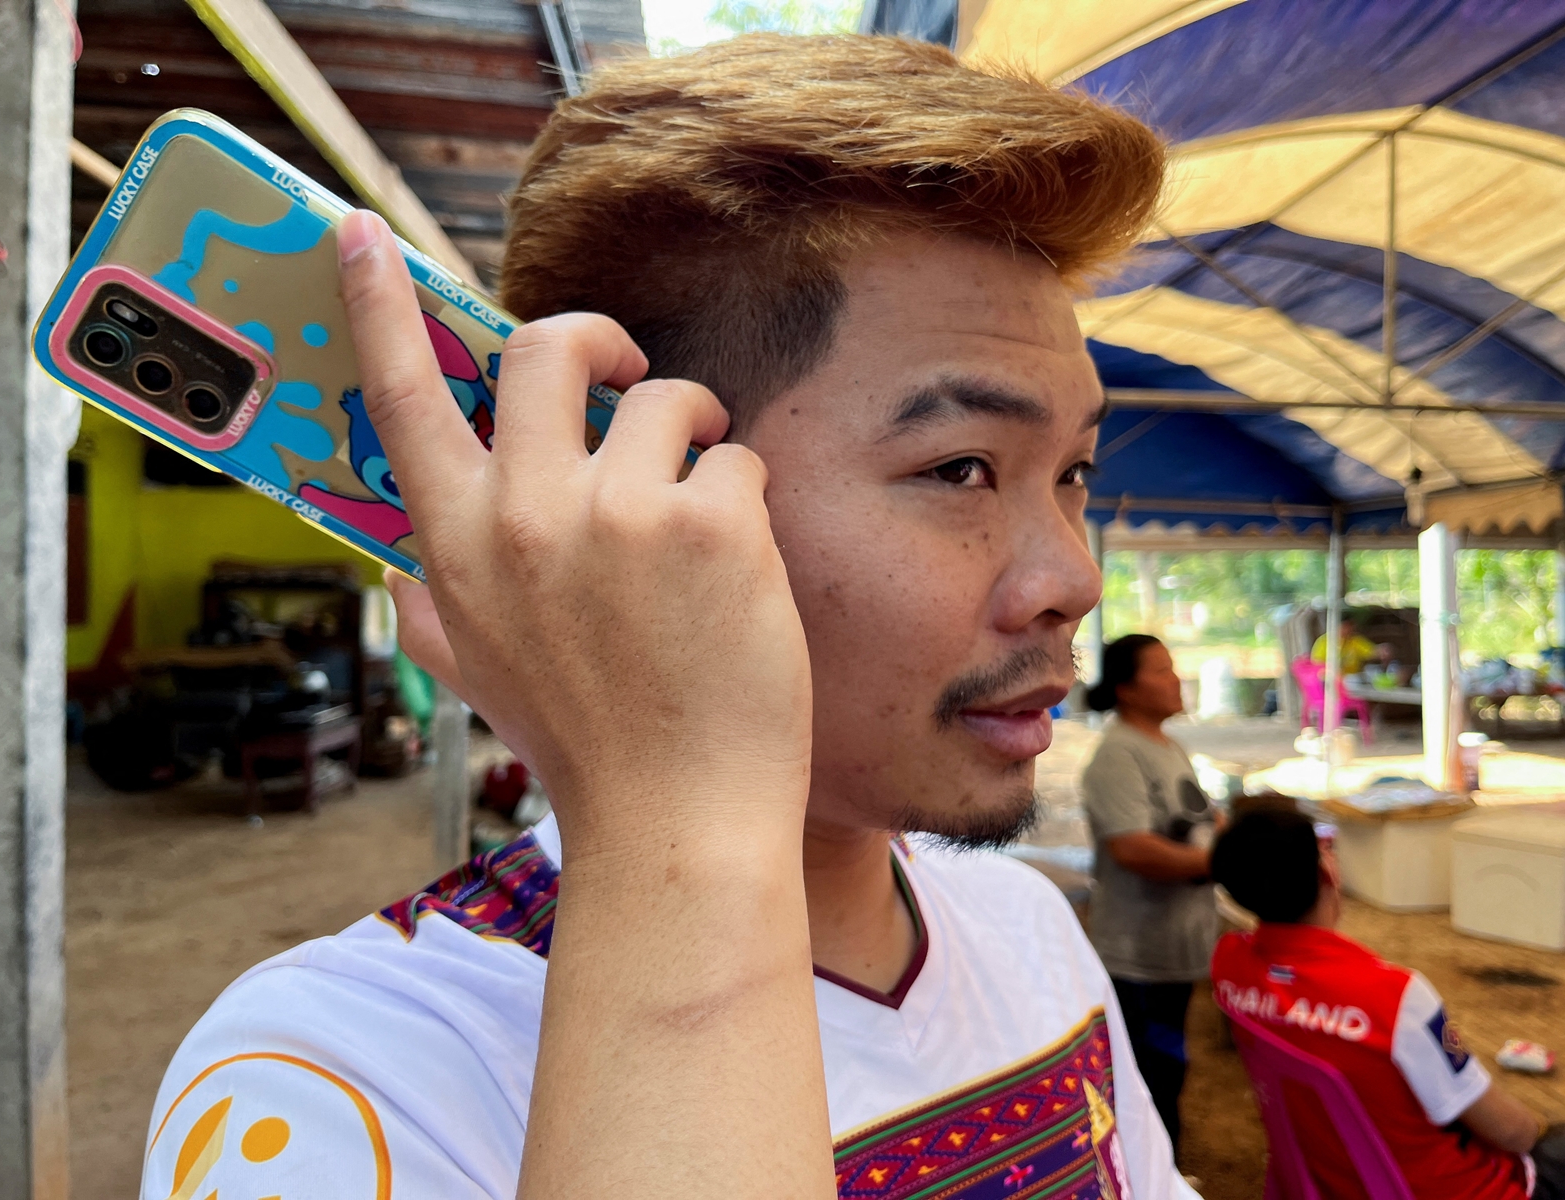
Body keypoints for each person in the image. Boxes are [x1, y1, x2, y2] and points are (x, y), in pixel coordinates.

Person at [140, 35, 1200, 1200]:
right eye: (959, 468)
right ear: (626, 483)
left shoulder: (1027, 929)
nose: (1073, 576)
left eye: (1074, 473)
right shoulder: (339, 1077)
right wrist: (671, 822)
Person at [1211, 808, 1565, 1200]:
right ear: (1327, 873)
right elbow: (1511, 1133)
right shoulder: (1393, 996)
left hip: (1324, 1183)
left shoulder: (1229, 964)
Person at [1082, 634, 1221, 1156]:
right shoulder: (1117, 756)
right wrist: (1223, 862)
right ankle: (1151, 1175)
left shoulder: (1168, 745)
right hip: (1137, 954)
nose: (1176, 679)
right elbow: (1133, 849)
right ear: (1126, 688)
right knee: (1149, 1076)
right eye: (1161, 670)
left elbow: (1202, 817)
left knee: (1169, 1063)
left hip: (1175, 944)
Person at [1311, 614, 1378, 677]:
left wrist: (1380, 651)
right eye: (1346, 626)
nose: (1349, 629)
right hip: (1330, 680)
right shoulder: (1323, 641)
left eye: (1351, 626)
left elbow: (1370, 651)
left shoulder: (1355, 640)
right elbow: (1317, 663)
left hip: (1352, 679)